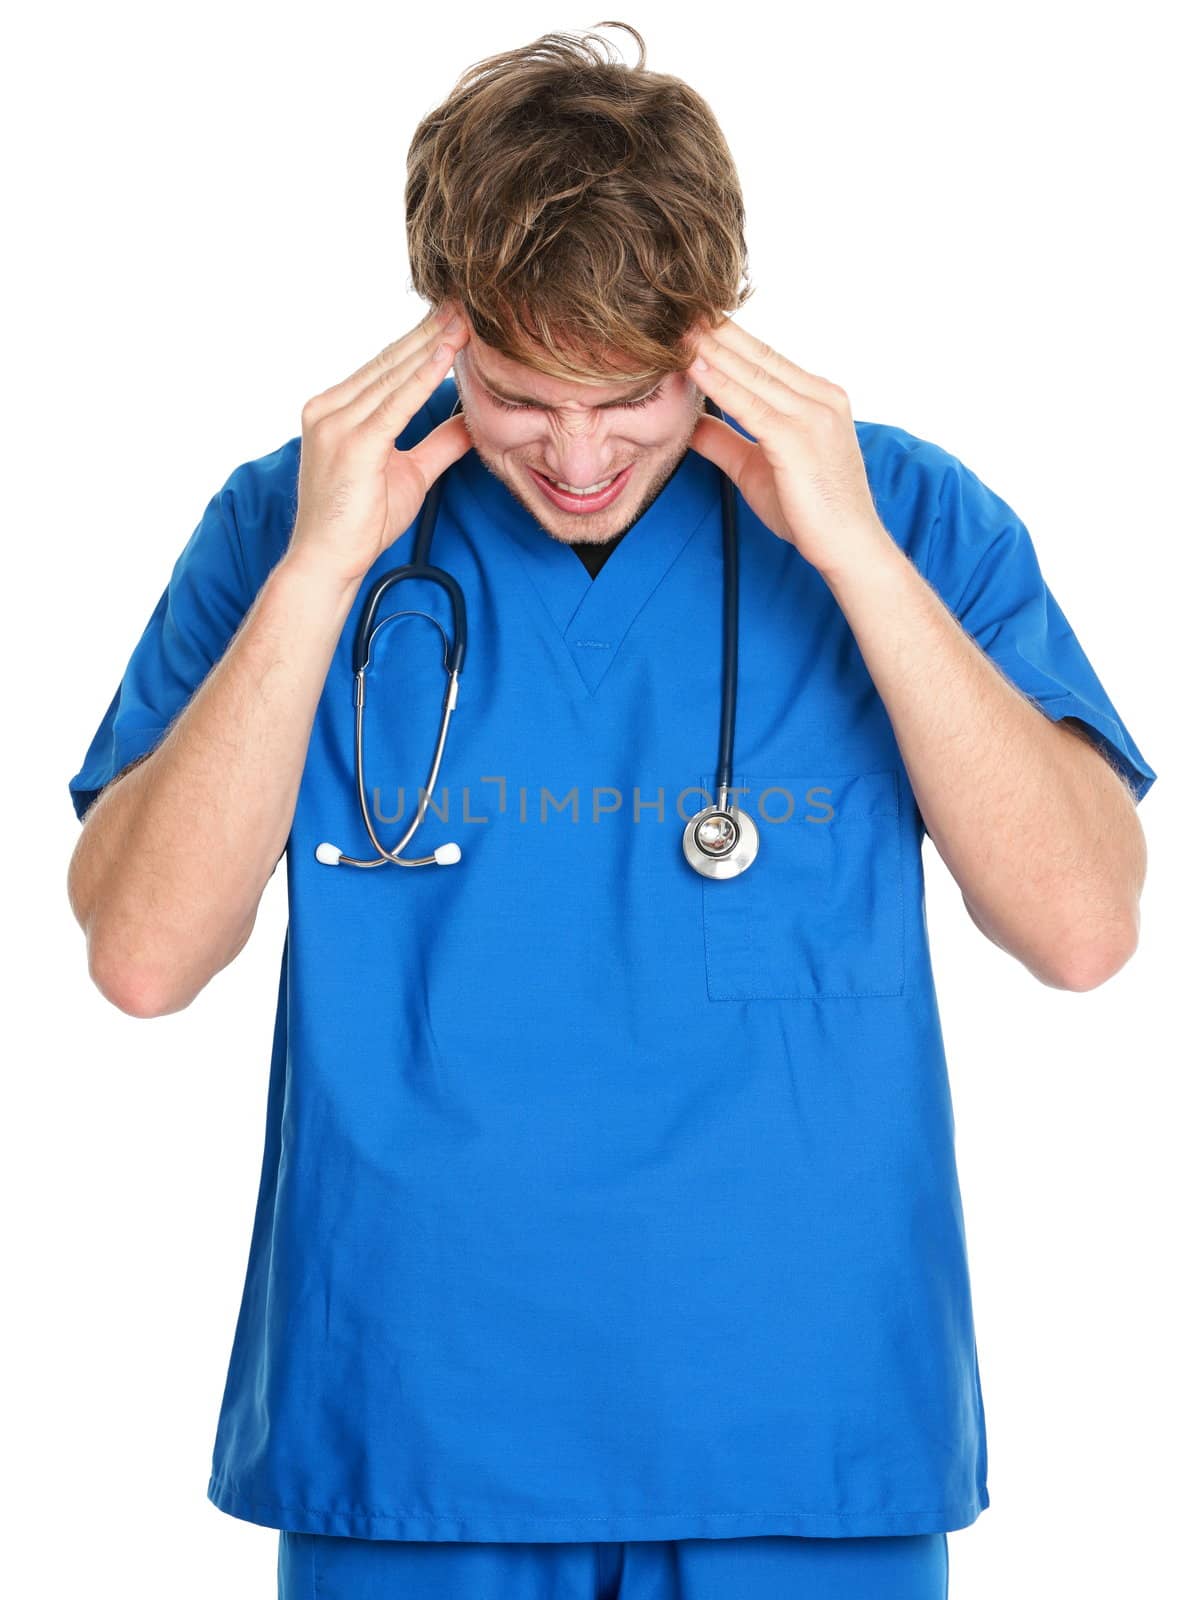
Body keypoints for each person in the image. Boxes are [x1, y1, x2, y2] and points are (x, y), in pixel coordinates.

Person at [65, 22, 1157, 1600]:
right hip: (416, 1422)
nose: (577, 456)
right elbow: (143, 961)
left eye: (632, 395)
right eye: (515, 394)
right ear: (440, 331)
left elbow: (1084, 929)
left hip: (803, 1425)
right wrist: (317, 574)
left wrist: (850, 552)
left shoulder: (903, 511)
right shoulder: (286, 526)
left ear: (710, 331)